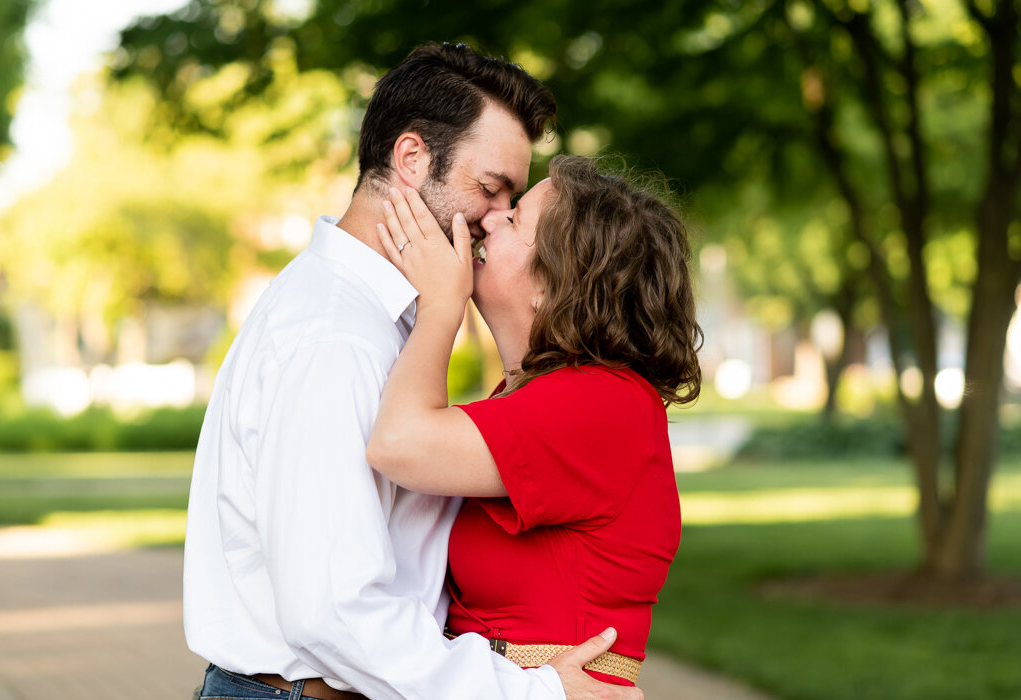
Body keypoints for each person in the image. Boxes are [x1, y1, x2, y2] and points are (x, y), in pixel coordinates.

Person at [184, 43, 642, 700]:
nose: (497, 220)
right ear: (410, 159)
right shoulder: (335, 334)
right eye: (490, 190)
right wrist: (534, 693)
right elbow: (334, 613)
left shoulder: (388, 316)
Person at [368, 155, 703, 688]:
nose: (492, 218)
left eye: (516, 218)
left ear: (552, 282)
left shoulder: (597, 402)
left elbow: (400, 443)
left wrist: (439, 308)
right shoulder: (546, 395)